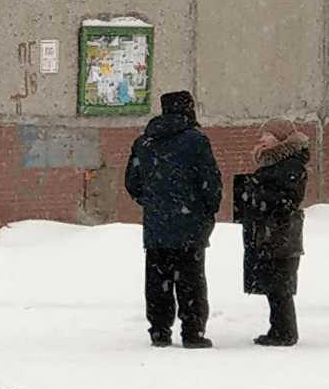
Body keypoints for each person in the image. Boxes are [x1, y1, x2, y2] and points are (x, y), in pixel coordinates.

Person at [124, 90, 221, 348]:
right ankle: (192, 332)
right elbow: (210, 182)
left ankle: (159, 331)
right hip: (190, 226)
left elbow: (132, 183)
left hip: (157, 225)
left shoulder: (144, 142)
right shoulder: (196, 141)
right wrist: (207, 210)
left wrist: (153, 202)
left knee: (158, 280)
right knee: (191, 280)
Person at [234, 118, 310, 346]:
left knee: (279, 285)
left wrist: (257, 195)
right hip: (269, 232)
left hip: (279, 233)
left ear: (281, 137)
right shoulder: (275, 163)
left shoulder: (290, 164)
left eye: (268, 134)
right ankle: (278, 328)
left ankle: (284, 332)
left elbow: (289, 200)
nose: (262, 138)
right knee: (273, 284)